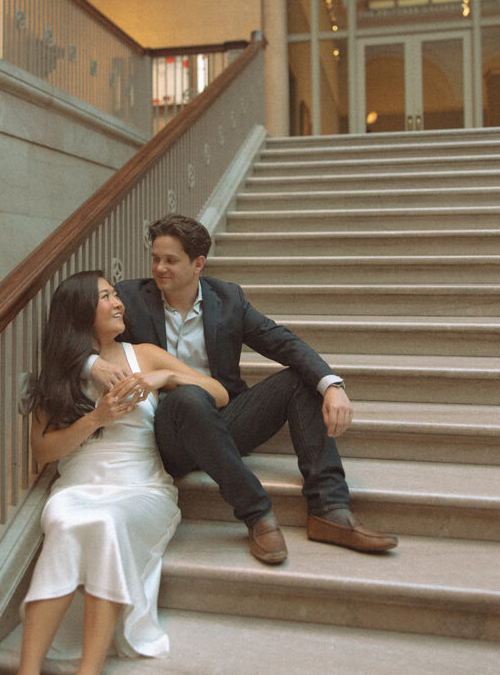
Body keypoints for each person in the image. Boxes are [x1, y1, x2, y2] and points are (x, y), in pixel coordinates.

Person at [0, 270, 227, 675]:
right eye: (106, 297)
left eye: (116, 295)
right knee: (65, 519)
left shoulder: (142, 354)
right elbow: (43, 451)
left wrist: (164, 376)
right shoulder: (60, 372)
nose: (119, 302)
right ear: (83, 311)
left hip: (141, 486)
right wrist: (98, 417)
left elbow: (219, 393)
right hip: (79, 483)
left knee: (104, 522)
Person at [89, 214, 398, 567]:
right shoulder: (129, 296)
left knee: (299, 379)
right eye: (156, 258)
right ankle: (258, 514)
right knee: (189, 397)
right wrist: (90, 362)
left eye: (171, 260)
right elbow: (73, 324)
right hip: (167, 433)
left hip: (224, 417)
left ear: (198, 264)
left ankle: (329, 508)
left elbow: (282, 342)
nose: (159, 268)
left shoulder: (228, 299)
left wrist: (332, 384)